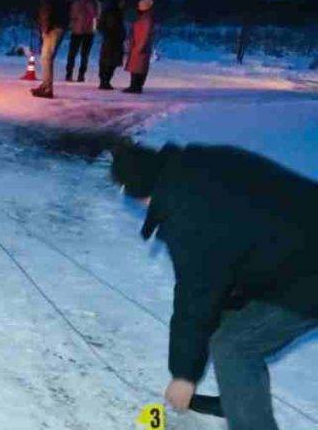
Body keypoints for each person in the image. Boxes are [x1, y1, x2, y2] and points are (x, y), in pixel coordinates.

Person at [111, 143, 318, 430]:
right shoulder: (198, 162)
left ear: (140, 191)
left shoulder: (189, 217)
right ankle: (238, 395)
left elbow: (195, 296)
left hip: (307, 273)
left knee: (235, 346)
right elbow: (236, 239)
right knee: (228, 309)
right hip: (293, 245)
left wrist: (184, 376)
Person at [31, 0, 69, 99]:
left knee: (46, 58)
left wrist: (45, 28)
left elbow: (47, 10)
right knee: (46, 58)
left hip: (53, 28)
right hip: (57, 27)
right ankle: (45, 85)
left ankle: (47, 88)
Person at [65, 0, 100, 82]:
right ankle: (69, 74)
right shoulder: (77, 4)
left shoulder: (95, 5)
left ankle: (81, 75)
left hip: (87, 33)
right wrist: (72, 26)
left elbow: (96, 19)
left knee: (84, 55)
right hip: (77, 32)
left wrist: (93, 30)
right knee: (73, 54)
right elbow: (72, 16)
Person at [124, 0, 155, 94]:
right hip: (137, 46)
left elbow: (145, 35)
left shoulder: (146, 20)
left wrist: (140, 47)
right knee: (136, 68)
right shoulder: (144, 19)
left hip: (140, 47)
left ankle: (136, 86)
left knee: (138, 68)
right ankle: (134, 86)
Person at [97, 0, 127, 90]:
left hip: (111, 39)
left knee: (108, 61)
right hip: (112, 40)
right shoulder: (114, 12)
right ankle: (105, 81)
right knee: (109, 61)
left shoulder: (112, 11)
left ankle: (105, 81)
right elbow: (109, 26)